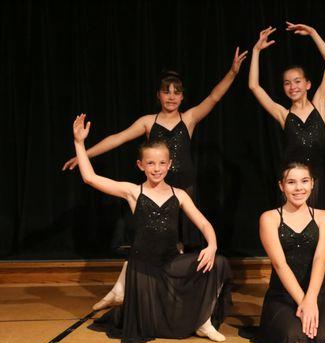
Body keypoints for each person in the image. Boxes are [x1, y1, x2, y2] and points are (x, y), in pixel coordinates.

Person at [63, 49, 246, 310]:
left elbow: (214, 97)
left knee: (183, 245)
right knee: (161, 244)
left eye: (176, 92)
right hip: (157, 192)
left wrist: (232, 72)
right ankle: (154, 292)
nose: (171, 96)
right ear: (158, 95)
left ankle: (176, 295)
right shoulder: (149, 122)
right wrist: (84, 153)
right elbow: (117, 138)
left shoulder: (189, 118)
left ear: (182, 96)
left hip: (184, 191)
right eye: (166, 91)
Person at [72, 114, 231, 343]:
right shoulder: (133, 192)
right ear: (141, 165)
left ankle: (203, 321)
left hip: (170, 263)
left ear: (170, 164)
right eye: (150, 163)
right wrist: (79, 143)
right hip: (143, 268)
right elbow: (90, 178)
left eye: (161, 163)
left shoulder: (179, 194)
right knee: (150, 324)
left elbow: (205, 223)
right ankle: (125, 292)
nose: (156, 169)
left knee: (218, 262)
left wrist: (212, 245)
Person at [241, 162, 325, 343]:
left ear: (312, 184)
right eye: (291, 182)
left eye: (304, 181)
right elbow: (280, 264)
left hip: (316, 292)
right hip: (283, 294)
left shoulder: (324, 217)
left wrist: (311, 299)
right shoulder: (269, 218)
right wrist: (303, 302)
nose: (298, 188)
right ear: (281, 186)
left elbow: (320, 260)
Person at [248, 23, 325, 208]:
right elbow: (254, 86)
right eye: (287, 83)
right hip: (292, 183)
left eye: (297, 81)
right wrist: (256, 51)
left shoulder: (319, 104)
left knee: (317, 229)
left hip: (316, 181)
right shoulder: (283, 114)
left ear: (308, 84)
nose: (292, 86)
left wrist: (313, 32)